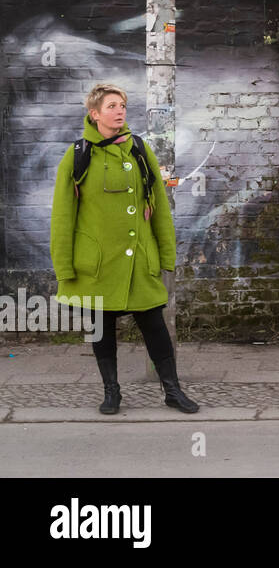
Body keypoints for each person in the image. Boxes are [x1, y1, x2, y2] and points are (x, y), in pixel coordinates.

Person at [49, 83, 199, 415]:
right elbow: (62, 216)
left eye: (123, 106)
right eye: (112, 106)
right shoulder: (77, 156)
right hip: (98, 264)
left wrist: (165, 256)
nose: (120, 111)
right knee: (101, 328)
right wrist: (65, 268)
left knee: (154, 325)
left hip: (138, 260)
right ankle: (111, 392)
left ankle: (172, 391)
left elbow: (159, 207)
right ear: (94, 114)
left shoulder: (139, 149)